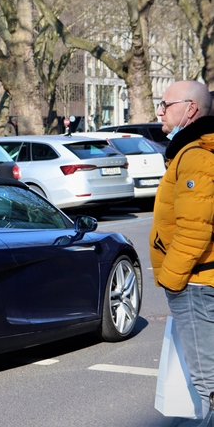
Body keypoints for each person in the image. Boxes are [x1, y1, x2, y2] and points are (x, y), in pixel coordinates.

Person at [149, 80, 214, 419]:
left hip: (196, 284)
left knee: (208, 383)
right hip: (200, 280)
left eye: (165, 104)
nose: (159, 111)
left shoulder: (194, 155)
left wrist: (173, 280)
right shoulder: (197, 150)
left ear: (190, 109)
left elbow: (194, 227)